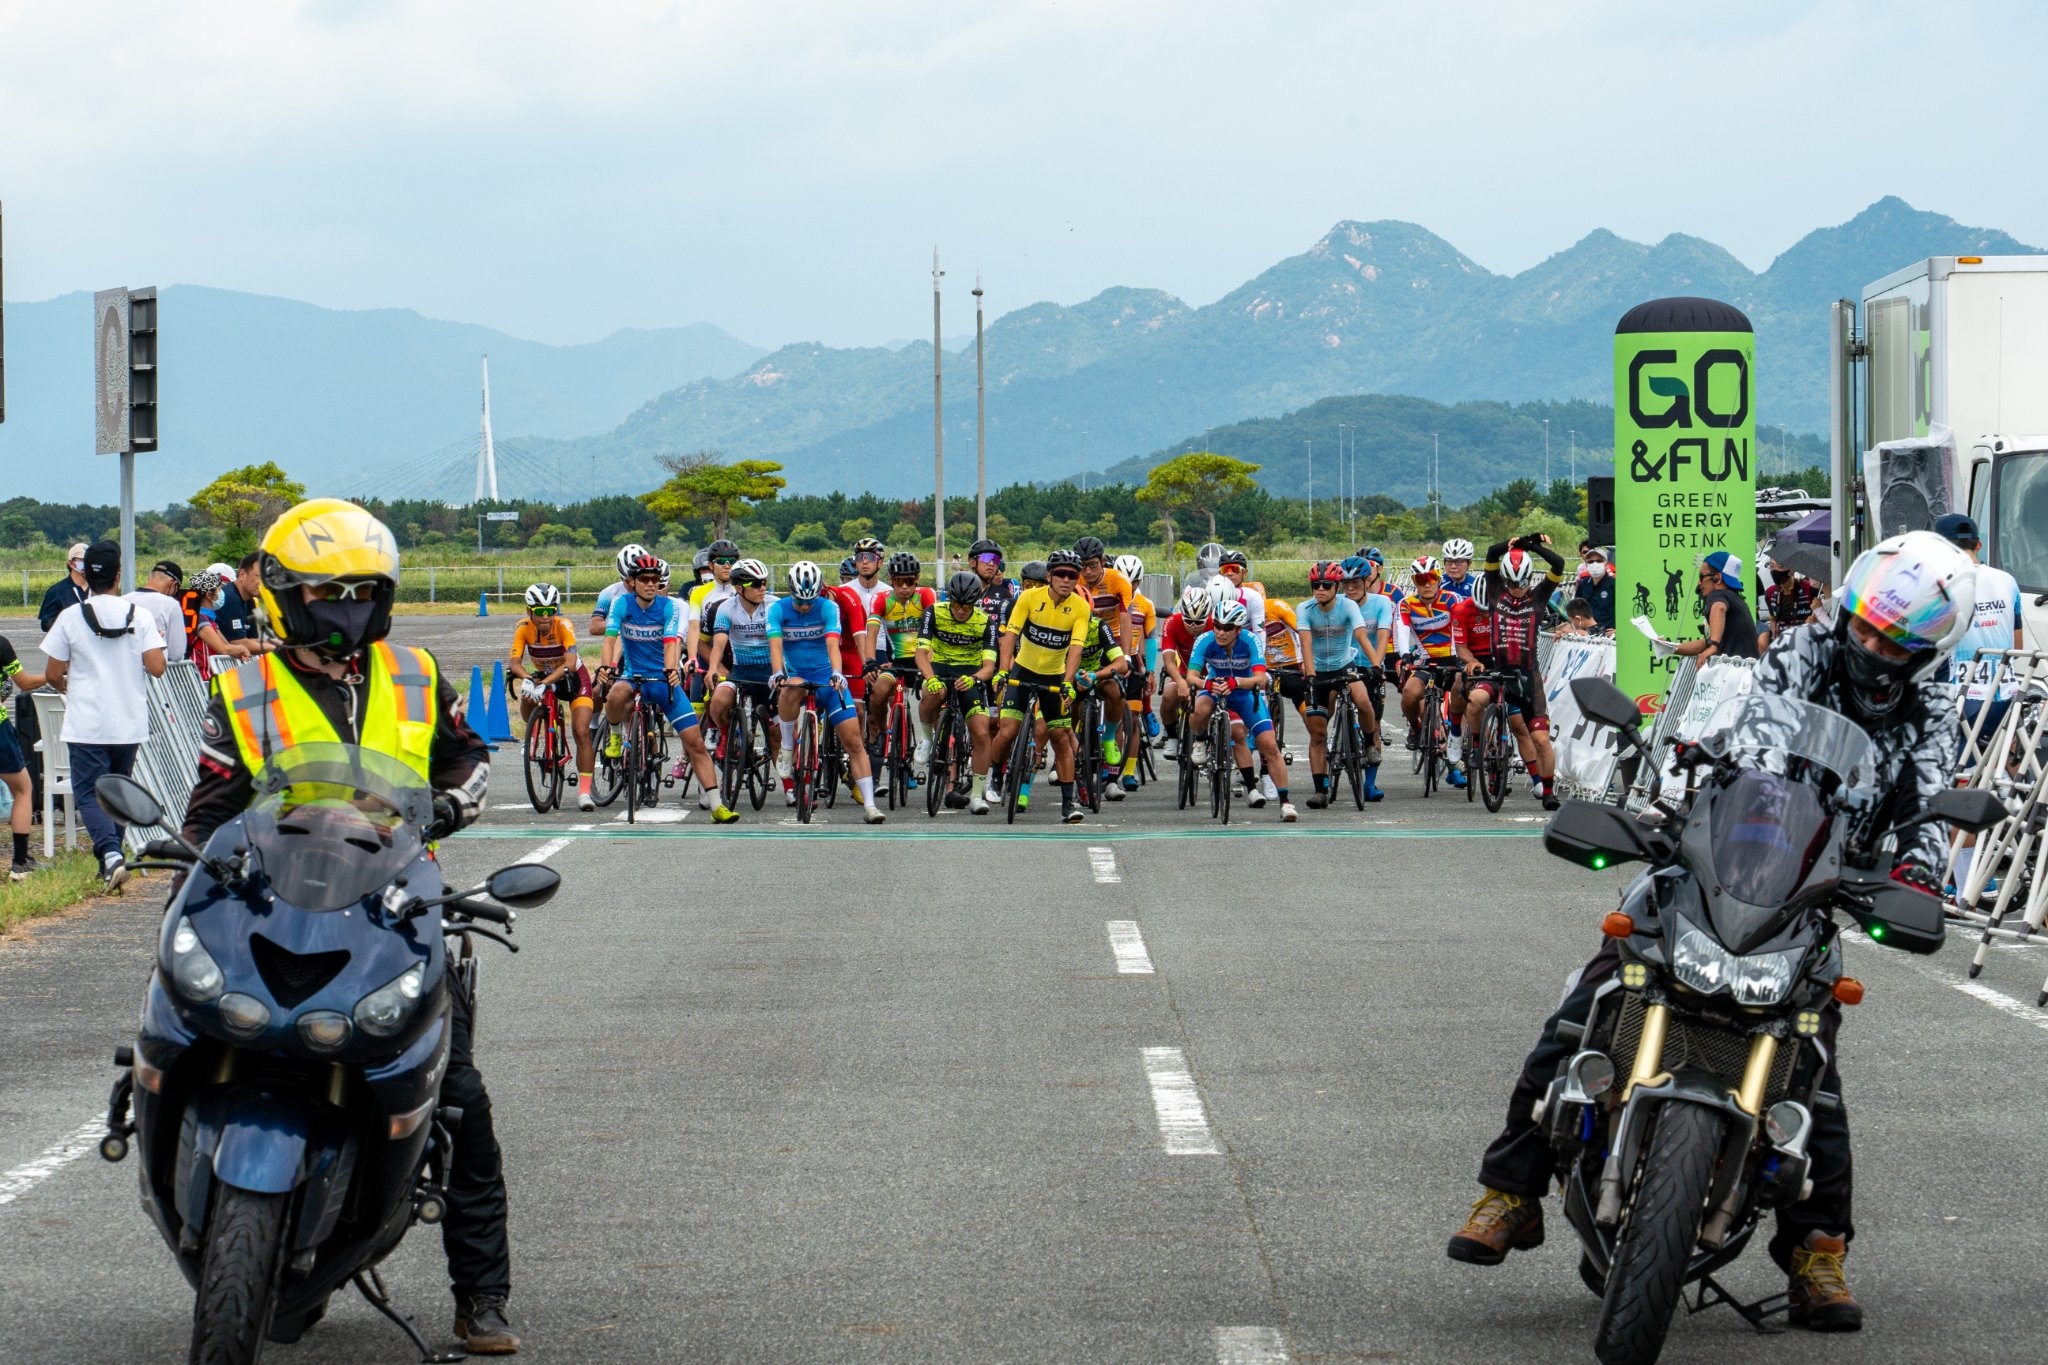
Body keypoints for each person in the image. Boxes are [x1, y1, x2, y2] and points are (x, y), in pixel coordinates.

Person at [1448, 529, 1978, 1334]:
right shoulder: (1801, 648)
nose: (1870, 646)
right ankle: (1511, 1190)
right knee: (1591, 996)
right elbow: (1755, 736)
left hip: (1821, 882)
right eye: (1865, 627)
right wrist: (1673, 788)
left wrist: (1913, 872)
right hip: (1728, 845)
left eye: (1891, 641)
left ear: (1925, 651)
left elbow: (1929, 800)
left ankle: (1816, 1251)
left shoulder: (1934, 706)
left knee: (1815, 1065)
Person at [180, 498, 520, 1354]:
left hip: (396, 907)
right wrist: (194, 863)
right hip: (270, 902)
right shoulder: (242, 685)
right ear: (284, 599)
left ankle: (480, 1295)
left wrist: (453, 801)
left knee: (460, 1102)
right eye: (328, 598)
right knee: (179, 1037)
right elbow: (209, 808)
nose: (346, 616)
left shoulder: (413, 673)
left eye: (361, 598)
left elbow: (468, 755)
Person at [39, 541, 168, 890]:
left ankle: (110, 854)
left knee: (87, 793)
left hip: (88, 722)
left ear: (85, 572)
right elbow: (157, 668)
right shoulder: (138, 615)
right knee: (119, 789)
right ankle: (111, 859)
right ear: (119, 574)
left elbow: (52, 673)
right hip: (129, 722)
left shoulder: (70, 616)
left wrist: (69, 684)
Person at [596, 552, 736, 822]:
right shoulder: (621, 604)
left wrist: (671, 670)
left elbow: (671, 641)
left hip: (662, 679)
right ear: (632, 582)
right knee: (615, 693)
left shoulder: (668, 607)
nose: (651, 584)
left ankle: (718, 805)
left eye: (656, 579)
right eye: (645, 579)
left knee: (695, 742)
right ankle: (614, 733)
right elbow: (610, 639)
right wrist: (605, 667)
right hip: (633, 675)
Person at [1933, 514, 2024, 908]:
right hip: (2005, 696)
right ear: (1978, 545)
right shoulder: (2007, 580)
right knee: (2009, 787)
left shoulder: (1943, 586)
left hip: (1964, 699)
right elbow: (2016, 641)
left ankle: (1966, 885)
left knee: (1961, 793)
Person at [767, 560, 886, 823]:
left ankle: (870, 804)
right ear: (791, 592)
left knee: (854, 742)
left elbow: (833, 643)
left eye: (811, 600)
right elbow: (775, 645)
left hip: (826, 677)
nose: (806, 606)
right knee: (788, 687)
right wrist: (777, 673)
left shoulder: (828, 606)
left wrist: (836, 673)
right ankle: (788, 746)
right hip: (798, 676)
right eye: (800, 601)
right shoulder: (777, 609)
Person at [1452, 537, 1566, 810]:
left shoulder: (1538, 598)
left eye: (1522, 583)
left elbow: (1559, 564)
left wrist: (1533, 545)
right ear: (1504, 580)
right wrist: (1513, 543)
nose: (1517, 589)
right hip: (1499, 674)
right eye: (1512, 583)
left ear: (1530, 579)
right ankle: (1478, 746)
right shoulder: (1495, 594)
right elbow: (1492, 552)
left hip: (1528, 680)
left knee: (1540, 739)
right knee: (1476, 701)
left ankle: (1548, 792)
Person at [989, 548, 1093, 823]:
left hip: (1054, 677)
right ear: (1049, 576)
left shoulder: (1081, 608)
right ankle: (996, 775)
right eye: (1060, 574)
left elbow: (1075, 649)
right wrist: (1002, 671)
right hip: (1022, 671)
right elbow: (1010, 636)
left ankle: (1068, 804)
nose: (1066, 580)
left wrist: (1068, 684)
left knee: (1060, 738)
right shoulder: (1029, 597)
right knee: (1007, 730)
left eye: (1072, 575)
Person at [1187, 599, 1297, 821]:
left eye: (1227, 628)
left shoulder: (1250, 641)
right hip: (1215, 688)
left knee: (1269, 746)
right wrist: (1206, 684)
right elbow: (1190, 676)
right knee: (1199, 708)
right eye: (1217, 625)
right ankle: (1200, 739)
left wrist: (1236, 681)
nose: (1220, 632)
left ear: (1238, 629)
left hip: (1244, 692)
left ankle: (1285, 802)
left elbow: (1260, 679)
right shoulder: (1205, 640)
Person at [1296, 560, 1384, 805]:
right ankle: (1320, 789)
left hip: (1344, 666)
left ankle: (1368, 744)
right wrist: (1311, 676)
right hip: (1318, 672)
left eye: (1326, 585)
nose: (1320, 590)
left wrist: (1376, 664)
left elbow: (1361, 635)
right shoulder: (1305, 609)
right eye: (1315, 585)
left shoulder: (1348, 606)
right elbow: (1305, 644)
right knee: (1317, 734)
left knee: (1364, 701)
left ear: (1336, 586)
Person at [914, 571, 1001, 812]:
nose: (961, 610)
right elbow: (921, 655)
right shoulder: (934, 612)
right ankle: (928, 739)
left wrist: (973, 679)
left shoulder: (985, 622)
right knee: (931, 693)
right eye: (957, 604)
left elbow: (989, 668)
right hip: (940, 669)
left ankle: (976, 795)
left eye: (967, 606)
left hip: (970, 675)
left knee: (982, 733)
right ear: (949, 599)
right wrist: (930, 678)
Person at [508, 583, 596, 810]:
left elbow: (569, 663)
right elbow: (514, 663)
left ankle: (585, 792)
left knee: (581, 731)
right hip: (545, 675)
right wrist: (528, 679)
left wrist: (544, 683)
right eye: (539, 612)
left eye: (551, 611)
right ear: (529, 612)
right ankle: (537, 733)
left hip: (573, 679)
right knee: (529, 696)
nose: (546, 617)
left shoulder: (565, 626)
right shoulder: (523, 628)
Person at [703, 559, 780, 786]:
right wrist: (713, 668)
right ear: (739, 588)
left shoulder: (774, 606)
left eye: (764, 582)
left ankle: (791, 789)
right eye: (756, 584)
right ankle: (726, 733)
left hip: (769, 672)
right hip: (741, 670)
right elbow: (718, 643)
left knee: (778, 735)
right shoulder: (726, 608)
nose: (762, 588)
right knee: (717, 702)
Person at [867, 552, 937, 769]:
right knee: (878, 691)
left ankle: (935, 740)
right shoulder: (881, 600)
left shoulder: (925, 595)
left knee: (933, 694)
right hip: (898, 662)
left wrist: (929, 667)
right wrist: (869, 661)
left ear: (917, 579)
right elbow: (871, 633)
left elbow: (934, 631)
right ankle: (881, 732)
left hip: (925, 660)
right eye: (899, 582)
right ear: (891, 580)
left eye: (910, 581)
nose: (905, 587)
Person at [1, 635, 50, 880]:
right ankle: (20, 862)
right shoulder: (1, 644)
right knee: (22, 788)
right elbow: (25, 683)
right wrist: (53, 676)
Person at [1671, 550, 1759, 663]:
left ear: (1717, 578)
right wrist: (1671, 648)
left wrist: (1713, 646)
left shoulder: (1718, 594)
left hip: (1735, 674)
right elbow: (1705, 644)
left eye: (1701, 576)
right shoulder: (1734, 599)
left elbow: (1719, 608)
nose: (1699, 583)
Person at [126, 559, 191, 664]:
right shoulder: (170, 604)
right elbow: (177, 653)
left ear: (149, 577)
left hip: (125, 669)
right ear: (173, 584)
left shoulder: (123, 600)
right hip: (158, 674)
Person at [1758, 556, 1823, 652]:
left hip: (1805, 644)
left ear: (1791, 570)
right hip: (1782, 646)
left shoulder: (1809, 589)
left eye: (1779, 566)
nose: (1774, 570)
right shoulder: (1770, 593)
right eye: (1771, 566)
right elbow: (1773, 617)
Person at [589, 542, 651, 637]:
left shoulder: (655, 590)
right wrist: (627, 623)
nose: (633, 584)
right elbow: (594, 627)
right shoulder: (608, 593)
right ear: (622, 577)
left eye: (640, 579)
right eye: (628, 580)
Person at [37, 542, 92, 631]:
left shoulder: (97, 589)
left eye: (90, 560)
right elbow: (46, 623)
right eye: (83, 560)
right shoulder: (56, 591)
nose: (88, 563)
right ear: (71, 563)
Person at [967, 538, 1017, 620]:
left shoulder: (1004, 594)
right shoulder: (962, 589)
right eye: (986, 558)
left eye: (996, 559)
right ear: (972, 562)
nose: (991, 563)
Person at [1574, 550, 1617, 633]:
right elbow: (1576, 609)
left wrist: (1618, 630)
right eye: (1591, 561)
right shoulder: (1584, 584)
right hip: (1588, 634)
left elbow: (1625, 609)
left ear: (1606, 563)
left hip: (1608, 635)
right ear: (1586, 564)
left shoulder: (1614, 584)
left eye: (1599, 561)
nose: (1595, 564)